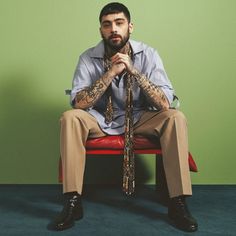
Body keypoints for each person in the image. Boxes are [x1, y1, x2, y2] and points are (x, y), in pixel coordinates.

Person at [50, 2, 198, 232]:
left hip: (140, 118)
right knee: (70, 117)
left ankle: (177, 202)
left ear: (130, 26)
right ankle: (72, 200)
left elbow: (163, 103)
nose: (114, 29)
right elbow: (79, 103)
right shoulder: (88, 58)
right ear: (101, 30)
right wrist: (110, 73)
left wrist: (134, 71)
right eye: (107, 25)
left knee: (175, 117)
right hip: (100, 119)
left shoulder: (149, 54)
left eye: (119, 23)